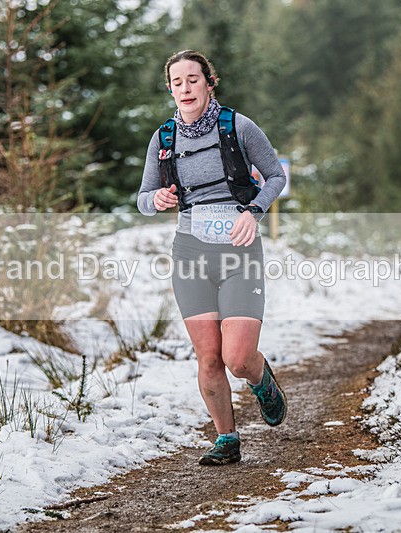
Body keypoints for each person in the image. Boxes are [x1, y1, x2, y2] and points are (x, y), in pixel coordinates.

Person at [137, 50, 287, 466]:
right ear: (170, 89)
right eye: (177, 82)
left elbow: (276, 176)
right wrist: (157, 199)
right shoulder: (164, 139)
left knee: (236, 358)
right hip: (190, 252)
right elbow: (143, 198)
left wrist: (254, 211)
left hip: (239, 250)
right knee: (208, 356)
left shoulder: (238, 126)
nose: (185, 88)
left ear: (209, 82)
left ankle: (261, 378)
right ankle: (226, 438)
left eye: (193, 79)